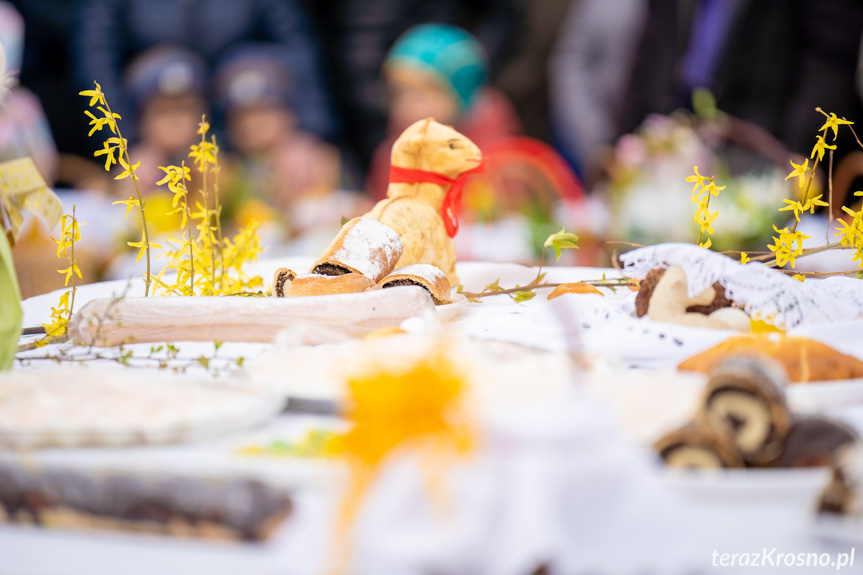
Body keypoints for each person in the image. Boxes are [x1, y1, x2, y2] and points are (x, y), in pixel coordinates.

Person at [366, 23, 520, 199]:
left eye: (421, 96)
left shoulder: (499, 157)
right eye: (397, 94)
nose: (406, 106)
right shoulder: (393, 154)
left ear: (461, 91)